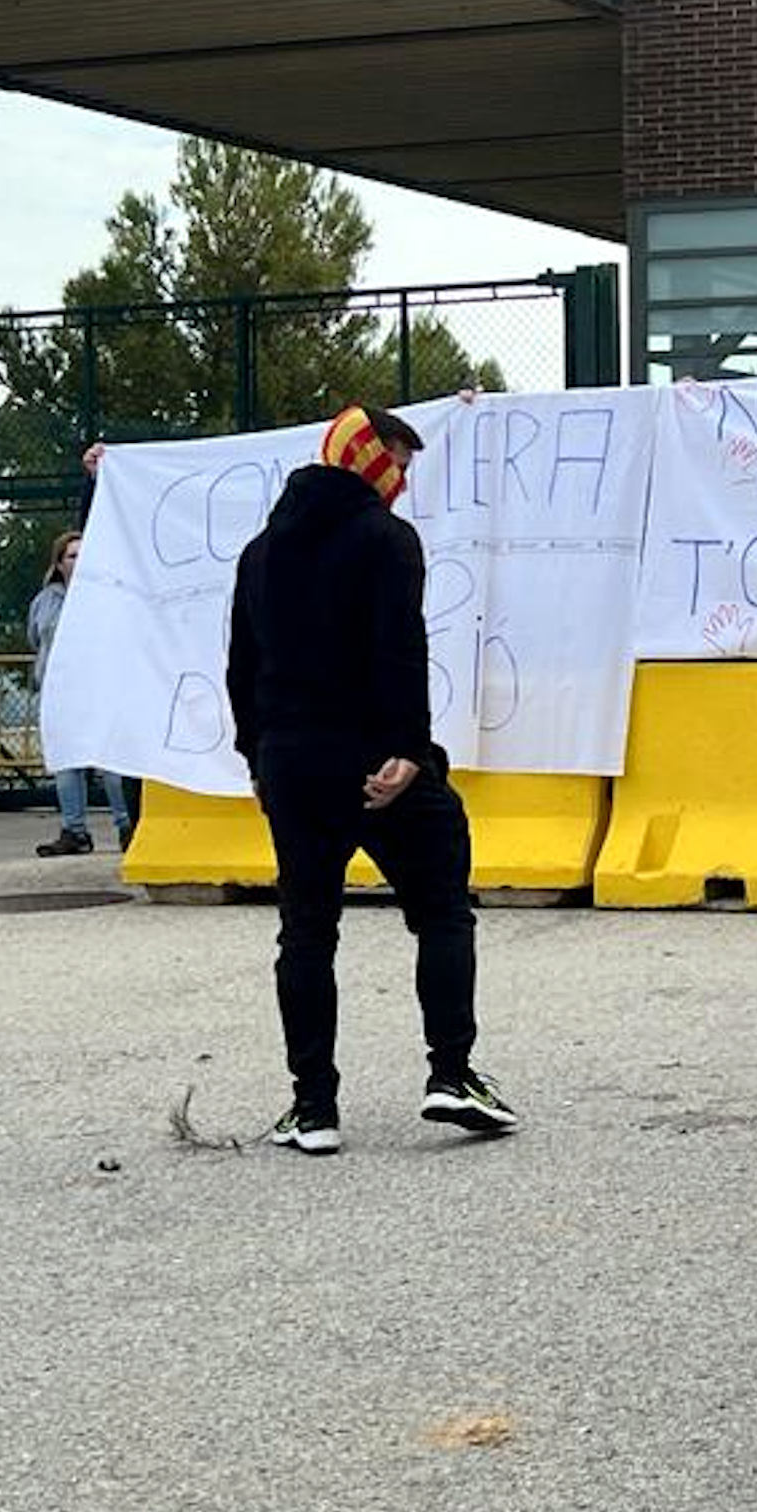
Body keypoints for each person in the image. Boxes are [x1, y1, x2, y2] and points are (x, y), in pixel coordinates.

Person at [224, 405, 513, 1154]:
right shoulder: (387, 539)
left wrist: (257, 757)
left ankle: (313, 1107)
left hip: (291, 760)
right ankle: (452, 1072)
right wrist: (409, 748)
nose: (403, 483)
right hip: (375, 759)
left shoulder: (258, 553)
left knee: (308, 930)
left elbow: (242, 669)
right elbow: (399, 646)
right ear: (365, 455)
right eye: (399, 465)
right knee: (442, 909)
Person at [33, 530, 135, 857]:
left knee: (113, 766)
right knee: (67, 764)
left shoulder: (109, 594)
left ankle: (127, 826)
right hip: (61, 691)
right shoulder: (45, 600)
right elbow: (36, 638)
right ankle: (74, 830)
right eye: (72, 556)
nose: (79, 561)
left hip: (102, 687)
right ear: (59, 564)